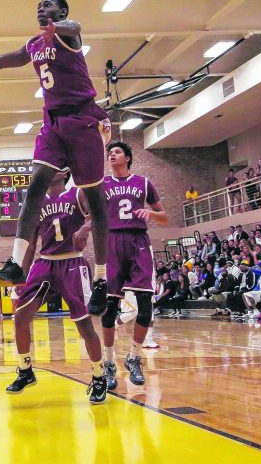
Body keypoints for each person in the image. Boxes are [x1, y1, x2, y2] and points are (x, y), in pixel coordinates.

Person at [0, 0, 110, 318]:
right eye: (39, 7)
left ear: (61, 11)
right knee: (34, 187)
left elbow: (76, 25)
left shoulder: (67, 33)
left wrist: (56, 27)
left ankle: (101, 280)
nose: (41, 9)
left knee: (95, 201)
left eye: (48, 5)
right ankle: (16, 263)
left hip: (84, 118)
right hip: (54, 121)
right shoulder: (33, 45)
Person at [7, 170, 107, 403]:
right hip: (45, 262)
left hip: (72, 260)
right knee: (20, 317)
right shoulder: (37, 201)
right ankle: (25, 370)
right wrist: (22, 275)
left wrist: (85, 228)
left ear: (63, 172)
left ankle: (99, 375)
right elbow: (30, 242)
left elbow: (98, 215)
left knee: (84, 326)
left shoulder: (78, 193)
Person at [99, 141, 167, 389]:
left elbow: (164, 215)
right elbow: (91, 214)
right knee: (109, 308)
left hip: (139, 242)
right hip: (113, 242)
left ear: (127, 157)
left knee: (145, 307)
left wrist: (151, 214)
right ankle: (108, 363)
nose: (112, 155)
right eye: (109, 153)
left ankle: (134, 357)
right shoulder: (102, 185)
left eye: (116, 152)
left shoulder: (144, 183)